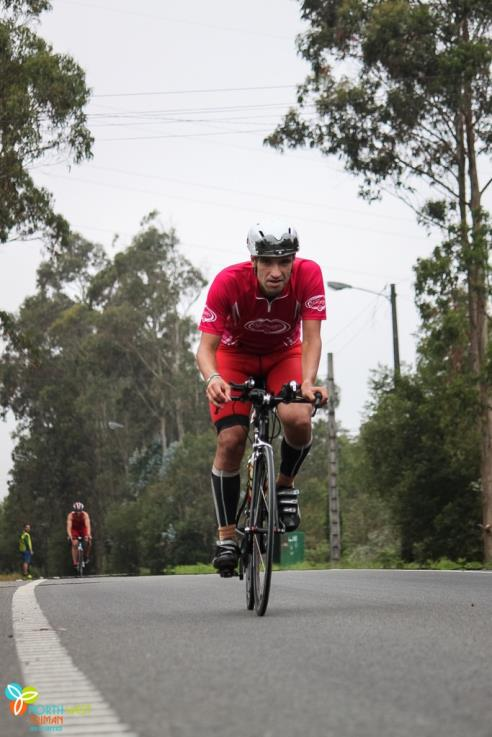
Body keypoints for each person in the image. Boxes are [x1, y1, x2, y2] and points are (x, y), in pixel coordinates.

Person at [196, 221, 328, 576]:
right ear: (253, 260)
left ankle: (284, 485)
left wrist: (309, 382)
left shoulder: (310, 275)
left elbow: (312, 337)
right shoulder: (229, 282)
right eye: (268, 262)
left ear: (293, 261)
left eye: (284, 262)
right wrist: (213, 378)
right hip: (233, 357)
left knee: (299, 419)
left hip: (284, 356)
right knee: (231, 439)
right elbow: (205, 349)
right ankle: (226, 537)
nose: (276, 271)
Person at [67, 502, 92, 570]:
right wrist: (70, 536)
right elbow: (69, 527)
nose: (78, 513)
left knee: (88, 541)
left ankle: (86, 556)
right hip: (74, 529)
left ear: (82, 510)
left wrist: (88, 534)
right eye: (76, 511)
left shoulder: (85, 515)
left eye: (80, 511)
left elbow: (88, 526)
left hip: (83, 528)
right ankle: (75, 562)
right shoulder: (70, 515)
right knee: (74, 543)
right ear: (74, 510)